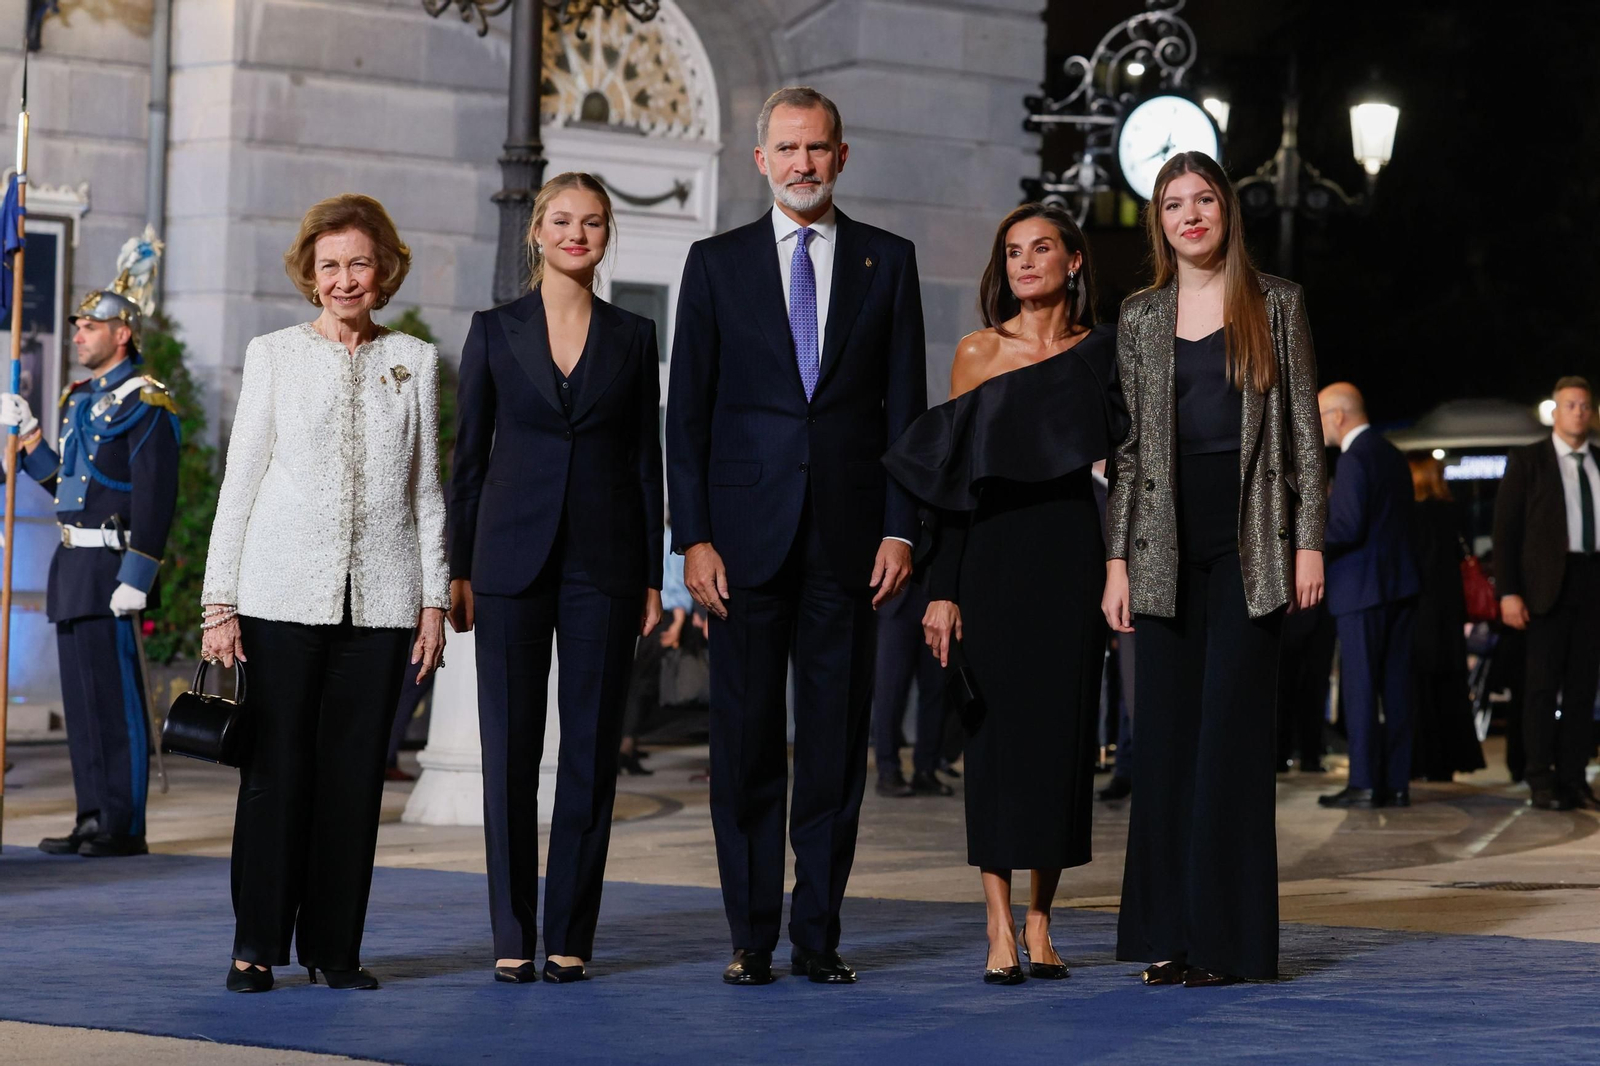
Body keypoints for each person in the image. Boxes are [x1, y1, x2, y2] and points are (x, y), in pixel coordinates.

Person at [666, 86, 926, 986]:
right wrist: (693, 538)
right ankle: (750, 936)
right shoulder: (715, 263)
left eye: (817, 148)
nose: (803, 163)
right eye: (787, 148)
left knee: (832, 748)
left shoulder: (889, 261)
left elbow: (906, 412)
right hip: (740, 545)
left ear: (841, 157)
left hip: (850, 545)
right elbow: (686, 415)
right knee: (742, 746)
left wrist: (901, 531)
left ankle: (817, 934)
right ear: (761, 160)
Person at [200, 194, 449, 993]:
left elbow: (427, 493)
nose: (345, 279)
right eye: (330, 265)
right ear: (311, 274)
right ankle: (255, 946)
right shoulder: (273, 354)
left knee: (353, 782)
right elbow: (240, 481)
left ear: (385, 271)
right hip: (279, 598)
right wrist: (219, 602)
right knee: (275, 775)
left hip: (383, 604)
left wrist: (434, 601)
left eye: (359, 264)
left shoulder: (415, 360)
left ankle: (335, 949)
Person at [885, 202, 1124, 984]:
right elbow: (954, 485)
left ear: (1073, 261)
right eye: (1013, 251)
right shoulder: (977, 352)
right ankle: (996, 924)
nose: (1024, 262)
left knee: (1060, 739)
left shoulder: (1102, 354)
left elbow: (1129, 467)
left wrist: (1120, 565)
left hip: (1071, 554)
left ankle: (1042, 921)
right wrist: (942, 590)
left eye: (1041, 248)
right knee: (990, 740)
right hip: (989, 558)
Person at [1103, 152, 1325, 988]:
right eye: (1173, 204)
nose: (1189, 215)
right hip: (1161, 543)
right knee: (1163, 742)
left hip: (1253, 542)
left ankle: (1229, 945)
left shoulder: (1277, 303)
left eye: (1202, 200)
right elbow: (1128, 452)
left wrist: (1310, 541)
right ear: (1159, 222)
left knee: (1230, 739)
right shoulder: (1138, 316)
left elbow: (1304, 432)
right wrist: (1116, 560)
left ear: (1227, 210)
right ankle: (1169, 937)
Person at [448, 172, 664, 985]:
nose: (578, 234)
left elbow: (646, 463)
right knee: (508, 751)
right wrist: (458, 566)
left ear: (607, 236)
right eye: (564, 221)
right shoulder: (493, 330)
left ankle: (570, 934)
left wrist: (652, 575)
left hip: (606, 567)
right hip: (507, 563)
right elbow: (468, 461)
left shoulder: (634, 336)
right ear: (536, 231)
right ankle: (512, 933)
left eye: (594, 222)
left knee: (590, 753)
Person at [0, 283, 179, 858]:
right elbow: (68, 489)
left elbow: (156, 495)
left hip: (113, 569)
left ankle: (123, 825)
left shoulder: (146, 402)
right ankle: (93, 815)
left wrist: (138, 574)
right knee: (82, 704)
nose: (77, 335)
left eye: (89, 327)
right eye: (77, 327)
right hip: (74, 565)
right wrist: (31, 436)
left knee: (116, 704)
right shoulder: (79, 400)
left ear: (122, 334)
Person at [1493, 377, 1600, 811]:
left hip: (1593, 580)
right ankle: (1540, 779)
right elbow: (1506, 532)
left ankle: (1574, 778)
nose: (1578, 411)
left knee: (1582, 689)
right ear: (1555, 412)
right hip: (1545, 587)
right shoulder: (1529, 460)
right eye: (1570, 404)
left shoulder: (1598, 461)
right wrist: (1508, 592)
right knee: (1540, 688)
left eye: (1585, 405)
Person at [1315, 383, 1421, 808]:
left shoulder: (1354, 458)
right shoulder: (1392, 454)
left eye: (1320, 415)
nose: (1316, 424)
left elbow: (1346, 526)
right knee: (1397, 689)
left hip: (1361, 590)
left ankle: (1362, 783)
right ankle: (1396, 784)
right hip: (1400, 585)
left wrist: (1303, 538)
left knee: (1360, 689)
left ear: (1339, 416)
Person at [1407, 454, 1485, 781]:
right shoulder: (1453, 512)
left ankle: (1422, 760)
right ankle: (1450, 760)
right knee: (1450, 686)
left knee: (1420, 687)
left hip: (1420, 609)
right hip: (1449, 612)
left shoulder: (1411, 514)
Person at [619, 523, 698, 776]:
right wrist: (678, 623)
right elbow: (674, 585)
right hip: (666, 617)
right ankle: (626, 747)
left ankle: (628, 746)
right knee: (644, 684)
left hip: (654, 615)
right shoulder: (674, 540)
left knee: (641, 682)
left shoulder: (657, 539)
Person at [870, 578, 954, 797]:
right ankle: (888, 770)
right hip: (897, 598)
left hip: (936, 596)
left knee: (937, 689)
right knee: (890, 690)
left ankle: (926, 769)